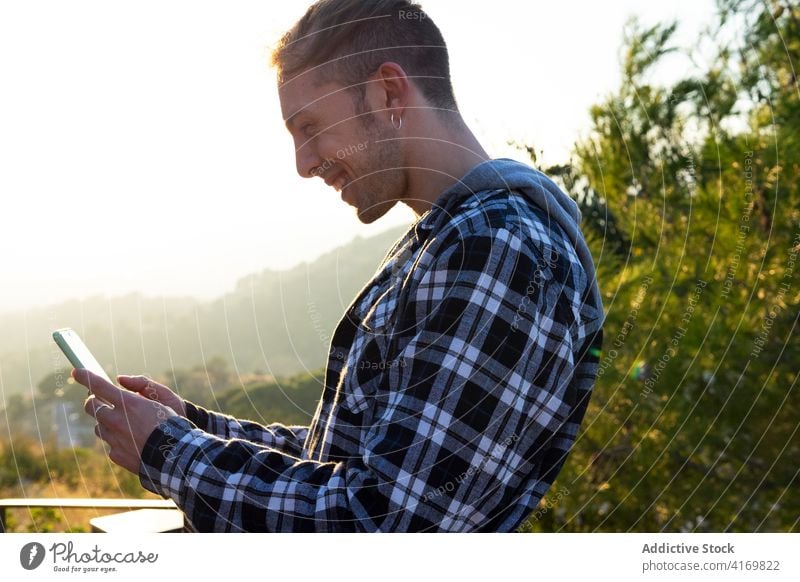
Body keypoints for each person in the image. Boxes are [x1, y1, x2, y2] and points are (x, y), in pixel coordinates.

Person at [75, 0, 605, 532]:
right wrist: (191, 425)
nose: (304, 164)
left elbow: (382, 521)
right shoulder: (448, 240)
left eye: (310, 126)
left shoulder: (498, 250)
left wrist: (168, 451)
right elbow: (346, 459)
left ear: (389, 93)